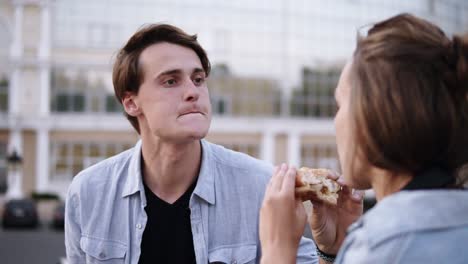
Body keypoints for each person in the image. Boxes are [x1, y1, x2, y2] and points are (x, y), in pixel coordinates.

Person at [65, 23, 354, 264]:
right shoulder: (89, 192)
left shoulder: (261, 186)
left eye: (198, 79)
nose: (193, 92)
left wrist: (329, 252)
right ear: (131, 102)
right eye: (170, 81)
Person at [259, 13, 468, 264]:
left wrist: (277, 249)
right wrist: (336, 250)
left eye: (339, 105)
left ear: (369, 116)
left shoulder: (380, 246)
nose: (335, 122)